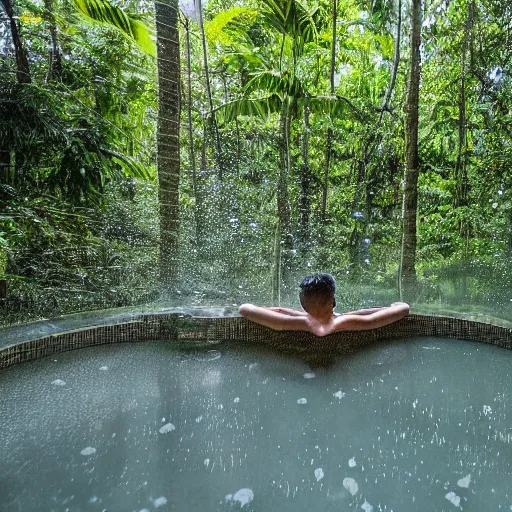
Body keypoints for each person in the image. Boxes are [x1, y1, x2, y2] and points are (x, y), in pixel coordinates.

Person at [239, 273, 409, 337]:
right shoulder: (342, 322)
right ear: (333, 302)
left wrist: (273, 310)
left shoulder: (295, 322)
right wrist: (394, 306)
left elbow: (244, 309)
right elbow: (403, 309)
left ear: (303, 304)